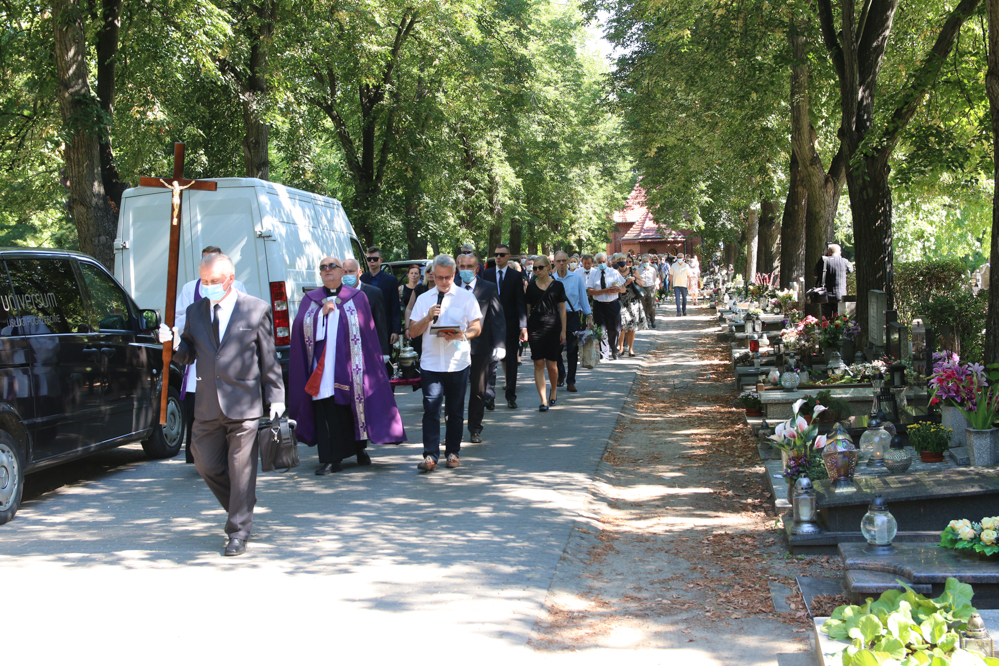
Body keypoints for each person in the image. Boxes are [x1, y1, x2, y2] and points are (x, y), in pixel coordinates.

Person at [159, 253, 284, 557]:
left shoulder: (256, 309)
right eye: (204, 281)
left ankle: (238, 532)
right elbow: (189, 353)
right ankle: (242, 503)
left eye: (215, 281)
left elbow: (269, 358)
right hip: (207, 405)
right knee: (205, 463)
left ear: (230, 278)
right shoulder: (195, 311)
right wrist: (174, 343)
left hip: (245, 404)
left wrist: (277, 397)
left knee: (241, 470)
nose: (209, 286)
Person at [288, 256, 406, 476]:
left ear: (342, 272)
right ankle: (331, 459)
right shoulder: (311, 300)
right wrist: (318, 315)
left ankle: (360, 450)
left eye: (331, 266)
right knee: (326, 410)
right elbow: (299, 327)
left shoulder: (357, 298)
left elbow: (368, 332)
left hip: (353, 367)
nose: (327, 270)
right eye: (323, 267)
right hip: (322, 368)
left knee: (353, 407)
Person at [409, 254, 482, 471]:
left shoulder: (466, 297)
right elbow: (413, 332)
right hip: (431, 364)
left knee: (455, 410)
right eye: (439, 277)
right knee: (431, 408)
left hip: (457, 363)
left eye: (447, 278)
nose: (443, 282)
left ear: (454, 275)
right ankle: (430, 455)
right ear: (433, 275)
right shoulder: (424, 299)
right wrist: (427, 318)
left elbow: (476, 327)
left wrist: (463, 335)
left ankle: (452, 452)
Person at [175, 245, 247, 464]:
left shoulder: (238, 287)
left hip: (227, 361)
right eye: (205, 261)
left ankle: (228, 454)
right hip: (200, 358)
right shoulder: (190, 288)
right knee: (200, 409)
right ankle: (199, 456)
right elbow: (181, 316)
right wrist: (177, 337)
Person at [457, 253, 505, 444]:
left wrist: (500, 345)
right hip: (455, 348)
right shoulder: (451, 289)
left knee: (478, 390)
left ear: (477, 269)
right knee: (454, 391)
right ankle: (454, 430)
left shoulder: (488, 288)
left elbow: (497, 318)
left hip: (480, 347)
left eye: (470, 267)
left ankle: (475, 428)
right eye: (462, 266)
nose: (466, 270)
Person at [482, 245, 528, 409]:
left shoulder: (515, 276)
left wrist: (523, 326)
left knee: (511, 361)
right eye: (496, 255)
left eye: (502, 255)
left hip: (510, 324)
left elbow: (520, 302)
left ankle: (511, 395)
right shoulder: (486, 274)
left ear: (509, 256)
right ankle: (489, 397)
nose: (498, 257)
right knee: (490, 360)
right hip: (490, 324)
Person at [525, 256, 566, 411]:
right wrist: (525, 329)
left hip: (553, 326)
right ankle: (543, 400)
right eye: (535, 268)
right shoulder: (530, 286)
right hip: (535, 326)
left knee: (552, 365)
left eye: (540, 267)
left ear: (549, 267)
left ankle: (553, 390)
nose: (537, 271)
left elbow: (562, 309)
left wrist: (563, 331)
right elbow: (527, 309)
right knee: (538, 363)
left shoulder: (557, 285)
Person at [552, 251, 591, 393]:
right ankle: (561, 372)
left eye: (563, 260)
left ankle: (571, 380)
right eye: (558, 261)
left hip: (573, 316)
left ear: (568, 261)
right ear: (554, 262)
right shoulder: (551, 279)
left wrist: (589, 316)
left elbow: (583, 298)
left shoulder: (576, 278)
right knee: (556, 349)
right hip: (555, 317)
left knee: (572, 350)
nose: (561, 264)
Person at [343, 258, 390, 356]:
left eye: (351, 271)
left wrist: (383, 353)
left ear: (359, 272)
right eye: (345, 272)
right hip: (345, 349)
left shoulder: (374, 293)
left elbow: (380, 325)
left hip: (368, 349)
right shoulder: (338, 295)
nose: (348, 275)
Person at [586, 252, 626, 360]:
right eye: (599, 262)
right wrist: (604, 291)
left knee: (615, 329)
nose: (602, 264)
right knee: (601, 329)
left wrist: (617, 289)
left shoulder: (614, 272)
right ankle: (603, 353)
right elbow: (590, 291)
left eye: (603, 262)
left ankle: (613, 348)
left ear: (607, 261)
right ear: (596, 263)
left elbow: (623, 289)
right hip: (599, 305)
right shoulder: (593, 274)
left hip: (613, 304)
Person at [359, 246, 401, 345]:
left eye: (375, 259)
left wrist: (396, 330)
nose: (372, 261)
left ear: (381, 260)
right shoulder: (361, 279)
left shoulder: (391, 280)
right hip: (364, 325)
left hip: (385, 326)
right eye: (369, 259)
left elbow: (395, 306)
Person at [617, 254, 647, 356]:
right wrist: (626, 283)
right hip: (621, 300)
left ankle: (630, 348)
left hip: (633, 301)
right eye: (619, 259)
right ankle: (620, 347)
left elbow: (642, 283)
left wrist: (634, 279)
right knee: (622, 325)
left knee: (632, 325)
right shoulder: (615, 272)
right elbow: (615, 286)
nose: (622, 261)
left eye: (623, 259)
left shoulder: (633, 270)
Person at [814, 244, 853, 319]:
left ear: (829, 252)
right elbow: (851, 270)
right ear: (840, 252)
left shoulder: (823, 260)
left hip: (825, 295)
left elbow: (815, 275)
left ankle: (825, 329)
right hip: (840, 294)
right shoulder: (844, 261)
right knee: (839, 319)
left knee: (825, 318)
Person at [638, 253, 659, 329]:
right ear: (642, 262)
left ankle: (652, 320)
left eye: (647, 261)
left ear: (649, 261)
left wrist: (656, 285)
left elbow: (655, 278)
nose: (645, 262)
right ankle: (645, 321)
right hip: (642, 288)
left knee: (652, 305)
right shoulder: (639, 270)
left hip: (650, 288)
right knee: (643, 306)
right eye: (644, 261)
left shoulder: (652, 269)